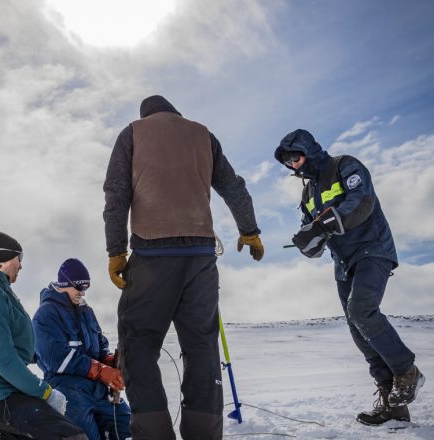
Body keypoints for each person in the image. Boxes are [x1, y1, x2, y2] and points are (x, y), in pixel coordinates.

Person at [103, 95, 264, 439]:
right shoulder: (203, 135)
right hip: (201, 258)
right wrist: (249, 231)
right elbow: (233, 187)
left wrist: (116, 251)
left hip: (152, 256)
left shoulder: (132, 133)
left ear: (145, 114)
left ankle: (154, 433)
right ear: (175, 112)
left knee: (139, 344)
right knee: (202, 346)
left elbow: (116, 196)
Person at [274, 129, 425, 426]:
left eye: (296, 155)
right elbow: (314, 231)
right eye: (288, 161)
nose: (293, 164)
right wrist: (308, 239)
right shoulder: (307, 193)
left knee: (362, 310)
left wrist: (325, 224)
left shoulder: (345, 165)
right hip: (342, 261)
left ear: (309, 149)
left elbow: (361, 200)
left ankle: (408, 371)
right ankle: (392, 404)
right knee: (357, 327)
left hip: (373, 249)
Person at [0, 228, 87, 440]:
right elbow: (3, 359)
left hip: (7, 391)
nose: (21, 264)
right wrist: (45, 392)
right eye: (19, 257)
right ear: (4, 258)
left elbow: (16, 344)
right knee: (72, 436)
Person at [32, 258, 131, 440]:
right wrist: (100, 371)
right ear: (64, 283)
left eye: (86, 288)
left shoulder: (86, 311)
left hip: (98, 391)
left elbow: (100, 346)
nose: (83, 293)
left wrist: (110, 361)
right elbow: (56, 358)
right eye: (79, 287)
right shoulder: (45, 315)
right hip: (67, 391)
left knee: (130, 427)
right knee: (85, 436)